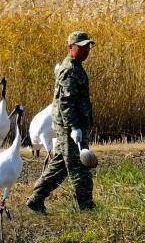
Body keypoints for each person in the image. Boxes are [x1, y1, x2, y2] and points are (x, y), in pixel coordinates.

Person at [28, 29, 97, 213]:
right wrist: (74, 128)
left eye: (88, 47)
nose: (86, 50)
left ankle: (36, 199)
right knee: (79, 168)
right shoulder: (69, 71)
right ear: (70, 48)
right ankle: (86, 206)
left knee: (60, 166)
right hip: (69, 127)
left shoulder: (77, 67)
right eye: (81, 47)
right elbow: (65, 103)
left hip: (74, 125)